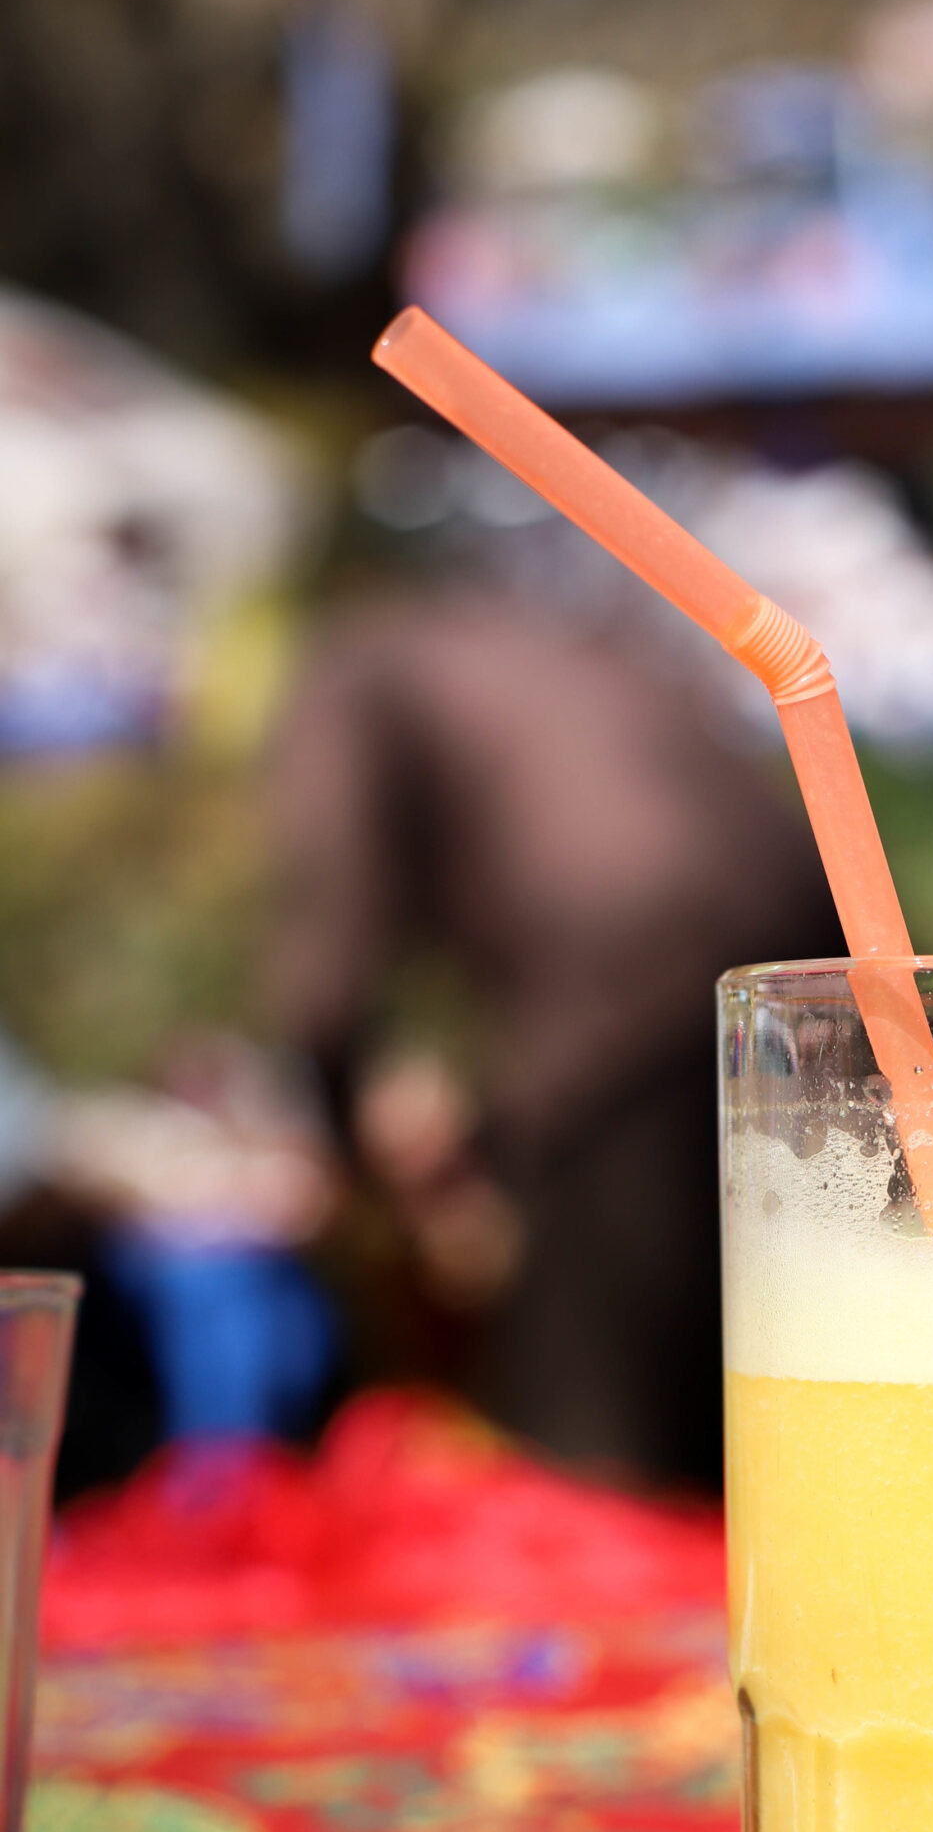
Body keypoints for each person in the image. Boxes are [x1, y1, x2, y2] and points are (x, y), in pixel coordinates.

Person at [264, 587, 841, 1491]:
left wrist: (350, 1158)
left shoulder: (353, 675)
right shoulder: (548, 646)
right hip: (804, 918)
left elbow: (328, 951)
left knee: (598, 1427)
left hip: (630, 961)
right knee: (756, 1360)